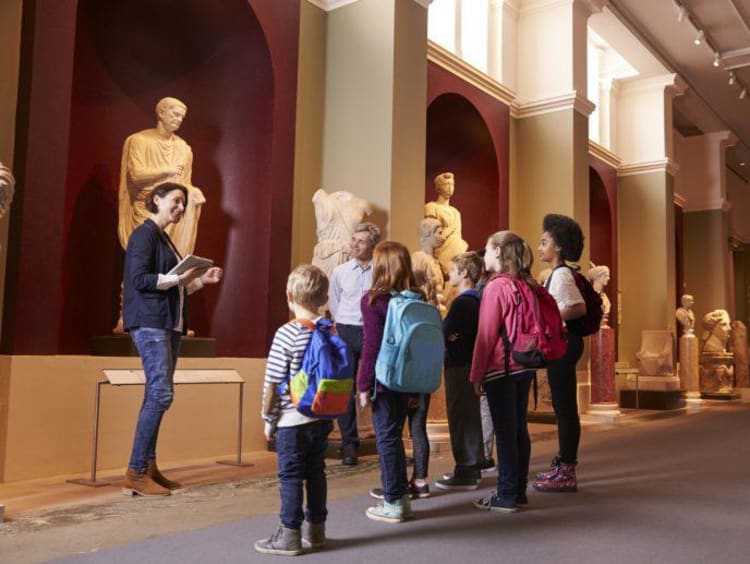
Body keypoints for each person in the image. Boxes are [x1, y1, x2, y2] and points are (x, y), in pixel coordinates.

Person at [122, 182, 223, 497]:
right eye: (176, 201)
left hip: (168, 324)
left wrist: (199, 280)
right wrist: (179, 278)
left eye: (184, 203)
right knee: (161, 395)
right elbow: (139, 279)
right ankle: (136, 471)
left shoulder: (165, 238)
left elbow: (173, 285)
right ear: (157, 200)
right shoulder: (144, 234)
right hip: (150, 323)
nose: (181, 208)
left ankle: (147, 466)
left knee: (156, 395)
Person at [255, 265, 334, 556]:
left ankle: (289, 535)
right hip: (321, 416)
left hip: (292, 419)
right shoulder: (329, 329)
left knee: (290, 476)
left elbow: (274, 382)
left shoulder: (287, 333)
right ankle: (317, 531)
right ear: (324, 299)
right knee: (316, 472)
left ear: (289, 296)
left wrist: (268, 420)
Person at [470, 231, 537, 513]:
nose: (483, 255)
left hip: (501, 368)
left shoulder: (496, 287)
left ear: (498, 251)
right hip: (525, 365)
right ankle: (518, 490)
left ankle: (506, 494)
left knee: (505, 433)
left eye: (486, 249)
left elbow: (485, 335)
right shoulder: (524, 283)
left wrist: (476, 375)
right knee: (519, 430)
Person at [359, 241, 424, 523]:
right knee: (396, 437)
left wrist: (363, 384)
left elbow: (371, 346)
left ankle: (393, 501)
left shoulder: (374, 300)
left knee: (386, 439)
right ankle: (402, 498)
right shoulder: (416, 299)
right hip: (410, 378)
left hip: (385, 380)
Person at [534, 213, 586, 493]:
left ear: (559, 247)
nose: (540, 246)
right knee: (563, 408)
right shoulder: (558, 274)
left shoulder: (562, 274)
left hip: (565, 344)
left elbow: (578, 307)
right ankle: (564, 465)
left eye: (544, 242)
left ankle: (567, 471)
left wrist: (549, 319)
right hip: (564, 344)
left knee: (565, 410)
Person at [118, 97, 205, 258]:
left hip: (173, 211)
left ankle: (171, 277)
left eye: (181, 117)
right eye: (175, 114)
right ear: (161, 113)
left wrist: (192, 192)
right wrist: (167, 170)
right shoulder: (139, 141)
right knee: (145, 260)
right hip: (146, 207)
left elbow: (182, 182)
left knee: (192, 196)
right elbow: (137, 175)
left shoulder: (184, 149)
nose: (179, 120)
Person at [328, 222, 381, 465]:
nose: (354, 244)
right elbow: (334, 302)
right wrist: (342, 325)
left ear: (372, 244)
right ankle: (350, 445)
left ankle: (384, 441)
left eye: (361, 241)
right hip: (347, 330)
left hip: (373, 331)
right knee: (345, 387)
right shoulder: (340, 272)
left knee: (378, 385)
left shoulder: (381, 271)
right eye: (353, 239)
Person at [435, 252, 484, 491]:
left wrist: (449, 334)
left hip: (458, 364)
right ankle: (472, 465)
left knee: (460, 416)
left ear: (464, 273)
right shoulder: (476, 300)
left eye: (453, 270)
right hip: (468, 362)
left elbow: (444, 331)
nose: (449, 274)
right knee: (469, 415)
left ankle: (466, 468)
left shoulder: (463, 302)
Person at [424, 172, 468, 274]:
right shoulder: (431, 207)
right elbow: (431, 233)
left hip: (456, 251)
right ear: (439, 187)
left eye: (452, 184)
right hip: (441, 251)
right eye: (446, 184)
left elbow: (458, 235)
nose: (450, 187)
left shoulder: (455, 212)